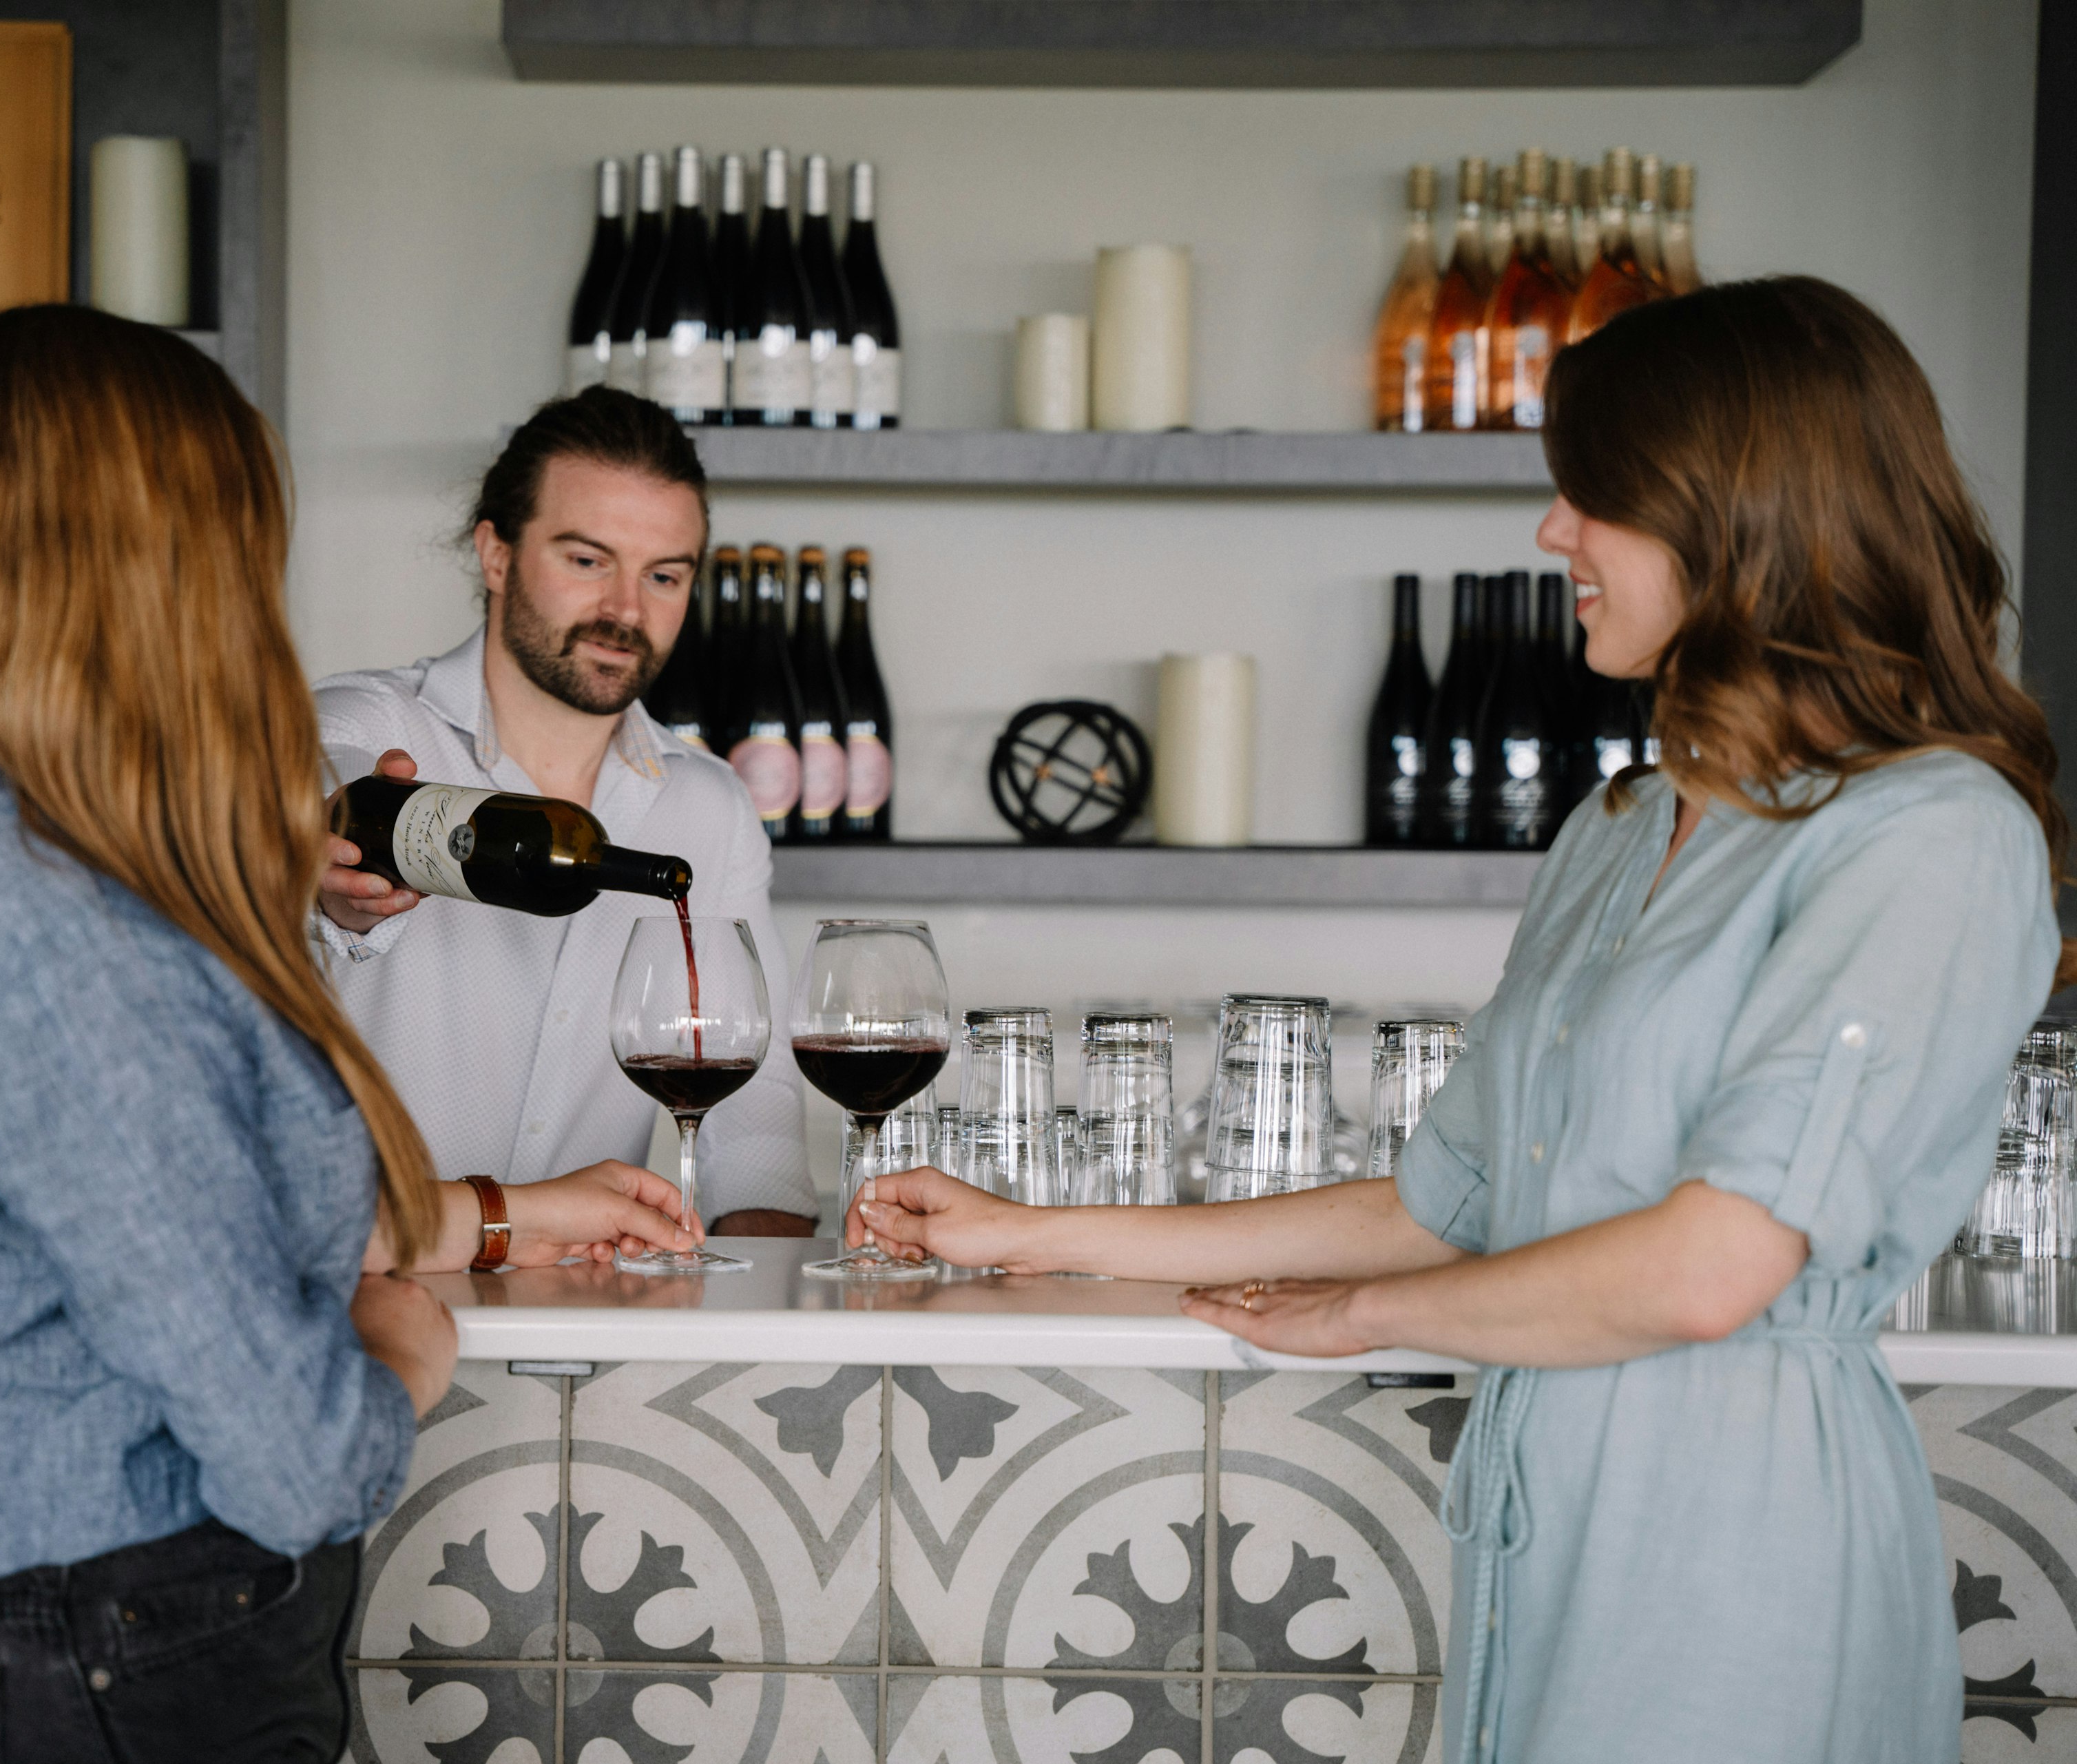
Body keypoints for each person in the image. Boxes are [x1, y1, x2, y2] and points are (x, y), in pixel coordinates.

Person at [845, 278, 2065, 1764]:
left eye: (1594, 496)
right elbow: (1448, 1200)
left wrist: (1356, 1324)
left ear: (1740, 517)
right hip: (1541, 1523)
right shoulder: (1623, 827)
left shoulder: (1929, 833)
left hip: (1742, 1542)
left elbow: (1713, 1265)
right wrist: (1031, 1230)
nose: (1554, 532)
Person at [0, 307, 698, 1763]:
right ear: (157, 564)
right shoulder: (48, 921)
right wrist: (395, 1359)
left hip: (92, 1653)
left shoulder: (11, 856)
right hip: (111, 1664)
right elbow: (293, 1444)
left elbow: (164, 1215)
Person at [314, 387, 815, 1238]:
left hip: (591, 1334)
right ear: (497, 553)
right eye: (588, 560)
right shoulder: (364, 724)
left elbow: (757, 1121)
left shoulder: (711, 806)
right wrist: (339, 875)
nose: (626, 610)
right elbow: (324, 790)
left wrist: (747, 1317)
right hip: (358, 1307)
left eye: (664, 575)